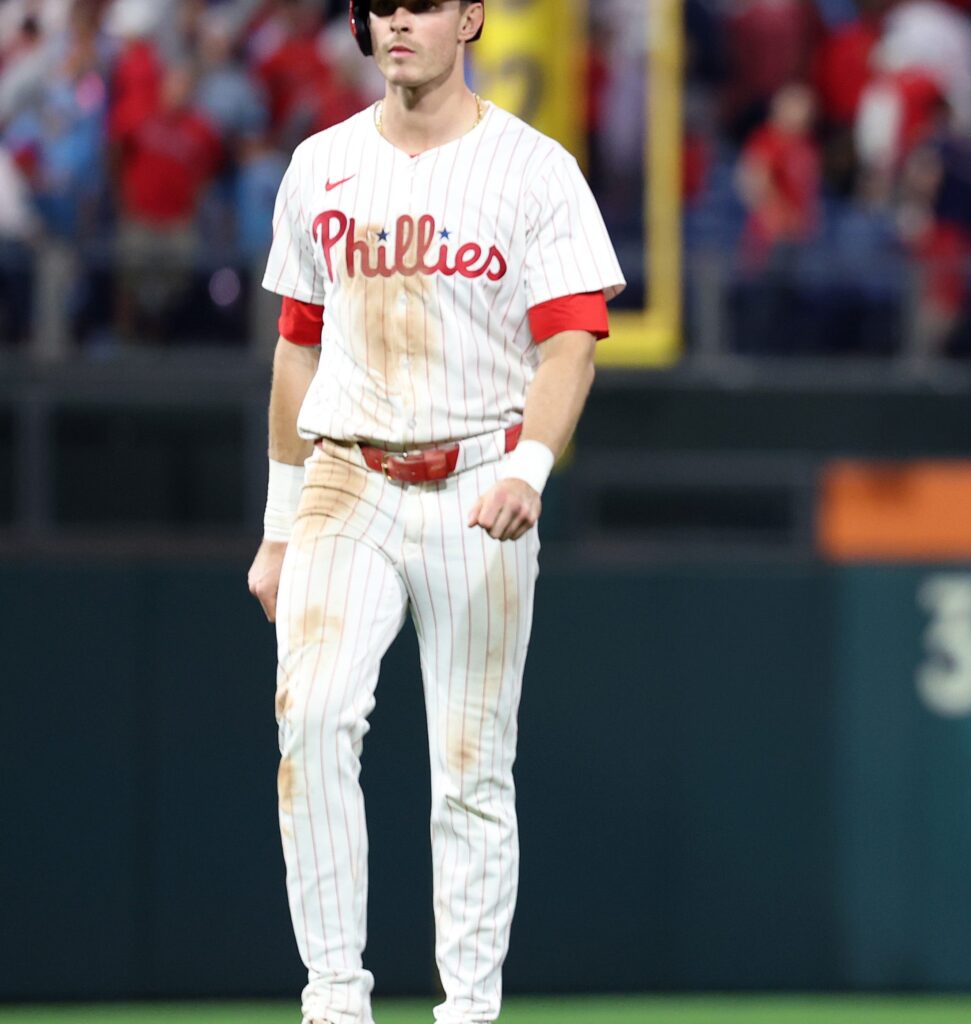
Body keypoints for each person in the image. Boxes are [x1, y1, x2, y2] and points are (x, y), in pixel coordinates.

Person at [243, 3, 624, 1022]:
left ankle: (468, 1010)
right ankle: (334, 1000)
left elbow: (572, 344)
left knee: (468, 768)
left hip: (478, 475)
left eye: (422, 3)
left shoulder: (535, 169)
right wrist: (280, 527)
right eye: (382, 6)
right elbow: (296, 346)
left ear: (471, 18)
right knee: (313, 720)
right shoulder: (319, 164)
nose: (398, 22)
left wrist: (532, 468)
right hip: (346, 475)